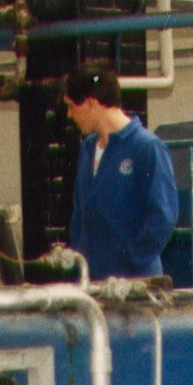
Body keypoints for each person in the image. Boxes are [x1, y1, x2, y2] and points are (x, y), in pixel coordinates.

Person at [63, 60, 178, 280]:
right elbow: (80, 216)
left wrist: (130, 260)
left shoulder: (146, 148)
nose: (69, 115)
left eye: (71, 106)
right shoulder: (87, 150)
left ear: (90, 103)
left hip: (134, 286)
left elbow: (163, 216)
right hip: (93, 283)